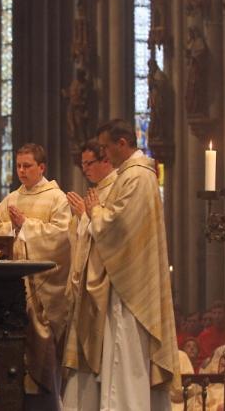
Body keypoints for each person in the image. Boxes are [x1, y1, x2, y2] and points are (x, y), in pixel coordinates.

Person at [69, 119, 179, 409]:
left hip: (130, 289)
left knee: (127, 354)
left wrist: (94, 212)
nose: (104, 154)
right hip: (128, 281)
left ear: (122, 144)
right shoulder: (132, 175)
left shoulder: (137, 177)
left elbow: (118, 226)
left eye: (106, 147)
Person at [0, 143, 71, 408]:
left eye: (27, 166)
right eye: (19, 166)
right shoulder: (11, 199)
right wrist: (11, 229)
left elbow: (62, 238)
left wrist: (26, 227)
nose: (21, 171)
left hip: (44, 292)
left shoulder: (57, 199)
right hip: (14, 290)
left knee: (43, 356)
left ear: (41, 167)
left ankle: (45, 403)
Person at [62, 139, 118, 410]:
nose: (85, 169)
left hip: (106, 287)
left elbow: (111, 235)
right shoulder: (97, 192)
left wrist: (86, 215)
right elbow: (80, 236)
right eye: (82, 164)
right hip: (86, 285)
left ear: (105, 160)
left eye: (89, 163)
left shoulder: (116, 189)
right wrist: (81, 219)